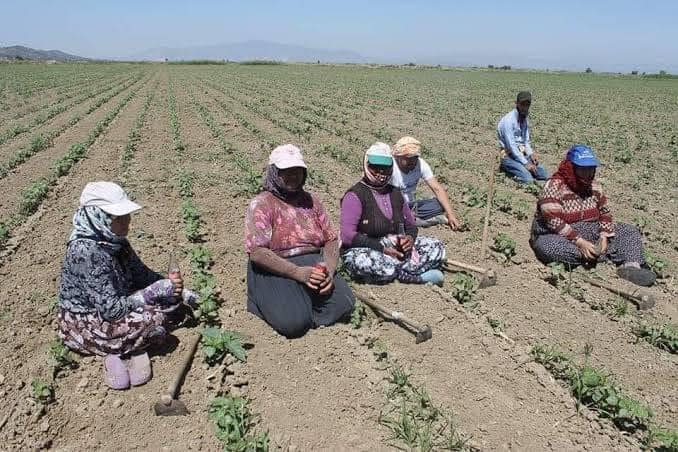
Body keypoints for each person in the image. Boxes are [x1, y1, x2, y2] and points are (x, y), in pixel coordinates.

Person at [58, 182, 199, 390]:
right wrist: (152, 293)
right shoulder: (85, 252)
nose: (127, 222)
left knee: (172, 303)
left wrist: (180, 292)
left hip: (120, 301)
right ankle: (118, 349)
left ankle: (127, 345)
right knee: (154, 320)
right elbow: (112, 311)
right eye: (118, 217)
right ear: (98, 217)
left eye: (126, 215)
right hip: (89, 319)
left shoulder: (117, 242)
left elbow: (143, 275)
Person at [245, 144, 355, 338]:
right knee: (293, 324)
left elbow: (330, 240)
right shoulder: (263, 203)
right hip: (276, 265)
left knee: (345, 303)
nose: (293, 176)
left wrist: (328, 271)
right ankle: (276, 302)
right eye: (285, 172)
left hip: (313, 262)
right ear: (273, 173)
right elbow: (257, 253)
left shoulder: (312, 201)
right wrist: (297, 273)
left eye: (298, 171)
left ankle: (303, 304)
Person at [530, 145, 656, 286]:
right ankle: (596, 257)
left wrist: (604, 236)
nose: (588, 173)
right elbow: (553, 220)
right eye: (583, 169)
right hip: (555, 234)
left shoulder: (594, 187)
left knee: (628, 230)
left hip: (590, 230)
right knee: (549, 247)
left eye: (591, 169)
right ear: (571, 167)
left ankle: (631, 268)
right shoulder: (554, 186)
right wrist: (580, 242)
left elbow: (605, 214)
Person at [340, 142, 446, 285]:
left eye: (385, 168)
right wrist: (383, 249)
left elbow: (411, 225)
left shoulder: (395, 193)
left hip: (395, 246)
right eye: (375, 167)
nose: (380, 173)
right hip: (368, 248)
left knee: (436, 246)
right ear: (366, 165)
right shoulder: (355, 195)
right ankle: (414, 277)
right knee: (361, 261)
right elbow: (347, 236)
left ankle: (397, 271)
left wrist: (409, 239)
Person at [389, 136, 462, 229]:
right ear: (398, 157)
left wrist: (451, 214)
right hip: (391, 206)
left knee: (439, 204)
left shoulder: (421, 164)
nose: (413, 161)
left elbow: (437, 189)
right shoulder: (389, 166)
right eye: (408, 158)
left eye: (415, 158)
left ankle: (409, 219)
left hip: (410, 205)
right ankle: (414, 221)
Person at [497, 91, 549, 184]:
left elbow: (525, 141)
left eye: (527, 105)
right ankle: (507, 168)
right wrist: (526, 163)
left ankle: (521, 168)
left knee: (544, 174)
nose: (525, 107)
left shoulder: (524, 119)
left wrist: (531, 154)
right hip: (509, 155)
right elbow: (511, 146)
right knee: (528, 180)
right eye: (522, 104)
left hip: (521, 153)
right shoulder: (508, 121)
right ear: (516, 103)